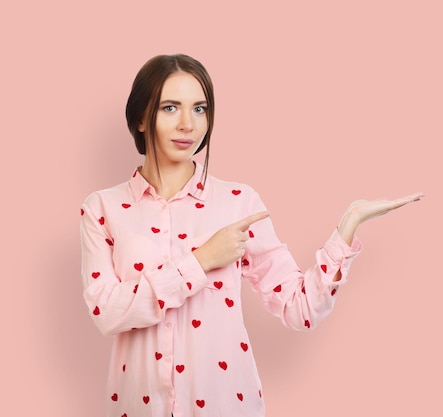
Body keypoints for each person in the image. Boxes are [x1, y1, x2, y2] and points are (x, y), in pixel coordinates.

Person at [80, 54, 423, 417]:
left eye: (200, 109)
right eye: (170, 108)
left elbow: (300, 308)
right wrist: (201, 261)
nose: (187, 124)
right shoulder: (103, 207)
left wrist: (348, 225)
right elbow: (107, 311)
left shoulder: (238, 203)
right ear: (140, 119)